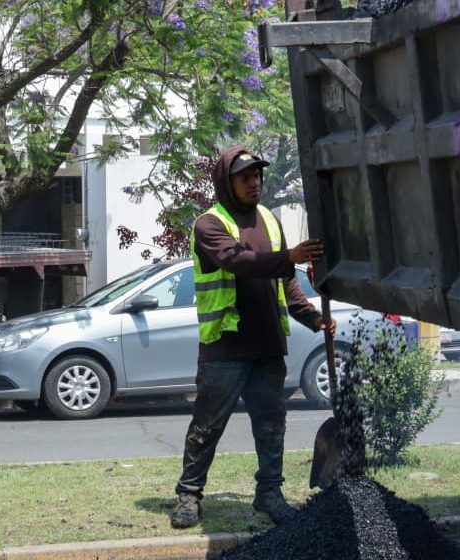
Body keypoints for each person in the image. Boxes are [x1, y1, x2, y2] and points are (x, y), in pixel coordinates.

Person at [170, 147, 335, 529]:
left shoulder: (269, 220)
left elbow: (286, 281)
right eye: (245, 176)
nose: (254, 182)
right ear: (226, 181)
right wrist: (289, 256)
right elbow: (238, 261)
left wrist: (312, 318)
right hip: (225, 347)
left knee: (271, 423)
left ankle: (269, 494)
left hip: (266, 346)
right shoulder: (209, 225)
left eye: (257, 175)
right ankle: (189, 495)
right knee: (207, 425)